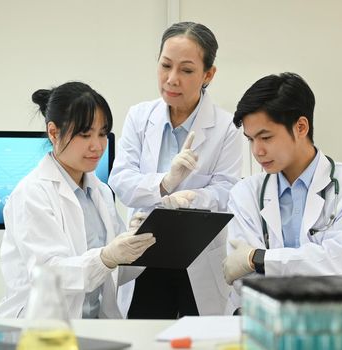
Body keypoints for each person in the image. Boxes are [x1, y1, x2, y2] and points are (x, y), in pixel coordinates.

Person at [222, 73, 342, 316]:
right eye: (250, 140)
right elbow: (246, 282)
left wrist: (258, 259)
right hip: (272, 324)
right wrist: (331, 275)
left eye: (266, 137)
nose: (257, 151)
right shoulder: (244, 194)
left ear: (301, 127)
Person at [108, 22, 242, 318]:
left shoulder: (226, 127)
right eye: (165, 66)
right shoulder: (140, 116)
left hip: (199, 255)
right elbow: (120, 179)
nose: (172, 79)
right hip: (144, 252)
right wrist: (164, 184)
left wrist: (191, 199)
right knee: (144, 336)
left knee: (200, 339)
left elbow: (227, 189)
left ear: (209, 74)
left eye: (186, 70)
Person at [0, 82, 156, 319]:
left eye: (102, 134)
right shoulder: (31, 193)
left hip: (95, 326)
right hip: (41, 328)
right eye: (84, 134)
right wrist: (106, 256)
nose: (97, 145)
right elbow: (50, 274)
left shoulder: (100, 191)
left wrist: (137, 245)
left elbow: (113, 276)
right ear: (53, 132)